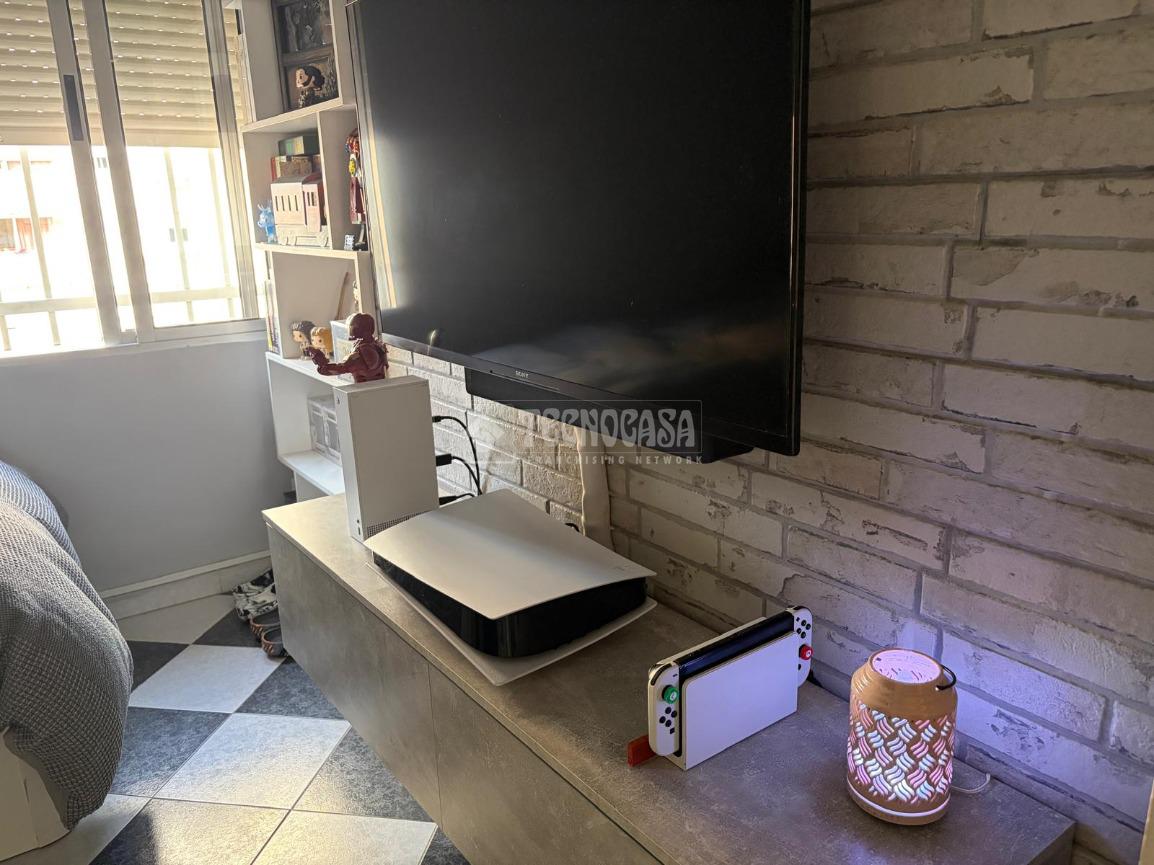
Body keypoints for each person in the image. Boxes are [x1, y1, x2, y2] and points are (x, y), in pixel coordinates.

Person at [306, 313, 387, 382]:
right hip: (376, 388)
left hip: (365, 391)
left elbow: (338, 369)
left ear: (357, 329)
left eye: (351, 327)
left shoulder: (363, 351)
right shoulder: (376, 345)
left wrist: (320, 361)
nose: (349, 330)